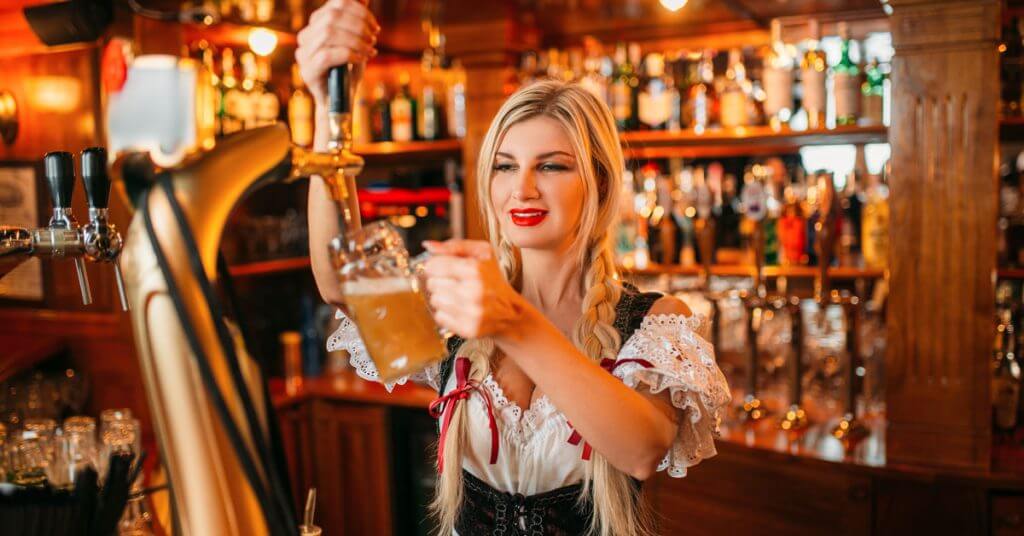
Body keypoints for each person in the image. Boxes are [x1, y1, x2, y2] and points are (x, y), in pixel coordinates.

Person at [298, 2, 731, 534]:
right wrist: (329, 112)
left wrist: (511, 321)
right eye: (505, 166)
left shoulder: (652, 323)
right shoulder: (459, 299)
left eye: (550, 166)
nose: (522, 188)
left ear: (597, 181)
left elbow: (641, 450)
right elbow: (339, 280)